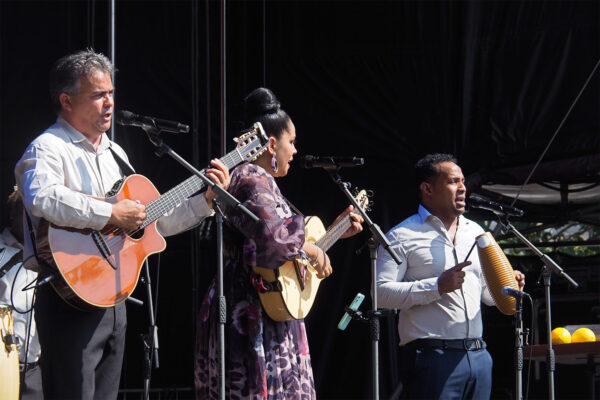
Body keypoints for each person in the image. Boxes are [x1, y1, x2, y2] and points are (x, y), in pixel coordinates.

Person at [14, 49, 230, 400]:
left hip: (113, 300)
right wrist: (110, 214)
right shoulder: (47, 148)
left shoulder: (116, 153)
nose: (109, 103)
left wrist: (204, 201)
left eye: (111, 93)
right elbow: (42, 198)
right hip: (69, 299)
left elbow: (148, 221)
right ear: (66, 101)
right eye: (98, 95)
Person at [194, 87, 363, 399]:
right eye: (292, 141)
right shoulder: (250, 178)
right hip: (248, 305)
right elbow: (272, 240)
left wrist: (334, 234)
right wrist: (311, 248)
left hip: (263, 303)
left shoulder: (262, 182)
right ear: (272, 144)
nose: (295, 150)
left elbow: (281, 250)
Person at [375, 153, 525, 399]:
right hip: (433, 358)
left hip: (479, 356)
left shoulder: (476, 232)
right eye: (453, 181)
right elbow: (379, 293)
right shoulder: (401, 235)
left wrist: (508, 287)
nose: (463, 188)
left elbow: (488, 296)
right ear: (427, 188)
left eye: (463, 181)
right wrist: (436, 286)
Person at [0, 188, 43, 399]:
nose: (30, 220)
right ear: (13, 212)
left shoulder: (48, 257)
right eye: (24, 211)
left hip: (34, 370)